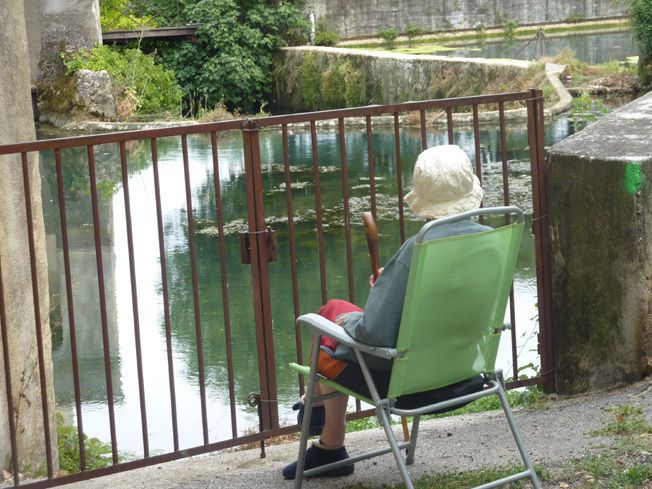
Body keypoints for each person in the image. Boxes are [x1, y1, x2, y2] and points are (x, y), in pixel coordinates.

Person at [283, 144, 491, 480]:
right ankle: (320, 419)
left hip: (409, 382)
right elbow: (454, 307)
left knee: (328, 319)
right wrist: (389, 291)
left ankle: (324, 429)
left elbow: (372, 334)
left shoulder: (419, 249)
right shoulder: (489, 242)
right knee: (336, 312)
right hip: (464, 371)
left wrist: (347, 320)